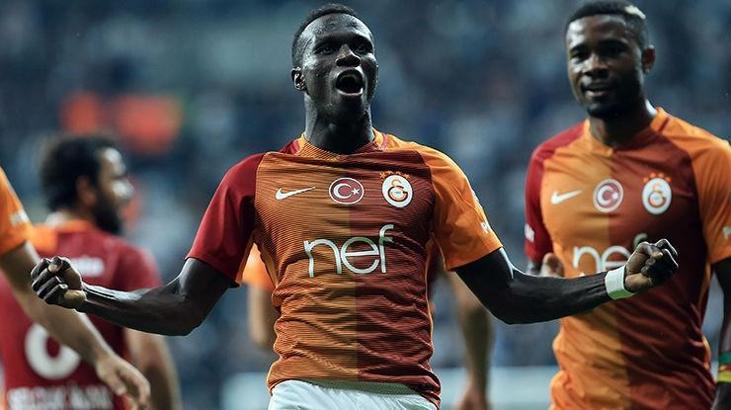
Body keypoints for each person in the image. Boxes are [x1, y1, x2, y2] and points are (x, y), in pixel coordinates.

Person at [32, 4, 678, 409]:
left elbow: (507, 295)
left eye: (362, 48)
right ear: (300, 77)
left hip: (404, 396)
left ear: (374, 73)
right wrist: (87, 297)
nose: (350, 55)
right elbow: (183, 306)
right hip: (302, 395)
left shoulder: (430, 171)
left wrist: (620, 280)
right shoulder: (253, 180)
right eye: (330, 47)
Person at [523, 1, 731, 409]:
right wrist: (544, 279)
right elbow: (538, 275)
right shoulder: (546, 162)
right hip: (573, 401)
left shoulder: (706, 158)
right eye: (580, 55)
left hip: (675, 399)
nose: (594, 66)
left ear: (647, 59)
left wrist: (726, 389)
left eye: (611, 51)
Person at [0, 136, 182, 409]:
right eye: (117, 179)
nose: (128, 192)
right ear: (87, 189)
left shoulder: (10, 263)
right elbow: (150, 360)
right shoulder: (124, 258)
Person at [243, 245, 494, 410]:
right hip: (398, 386)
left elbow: (263, 331)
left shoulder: (281, 203)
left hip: (309, 391)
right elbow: (473, 305)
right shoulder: (426, 194)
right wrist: (477, 385)